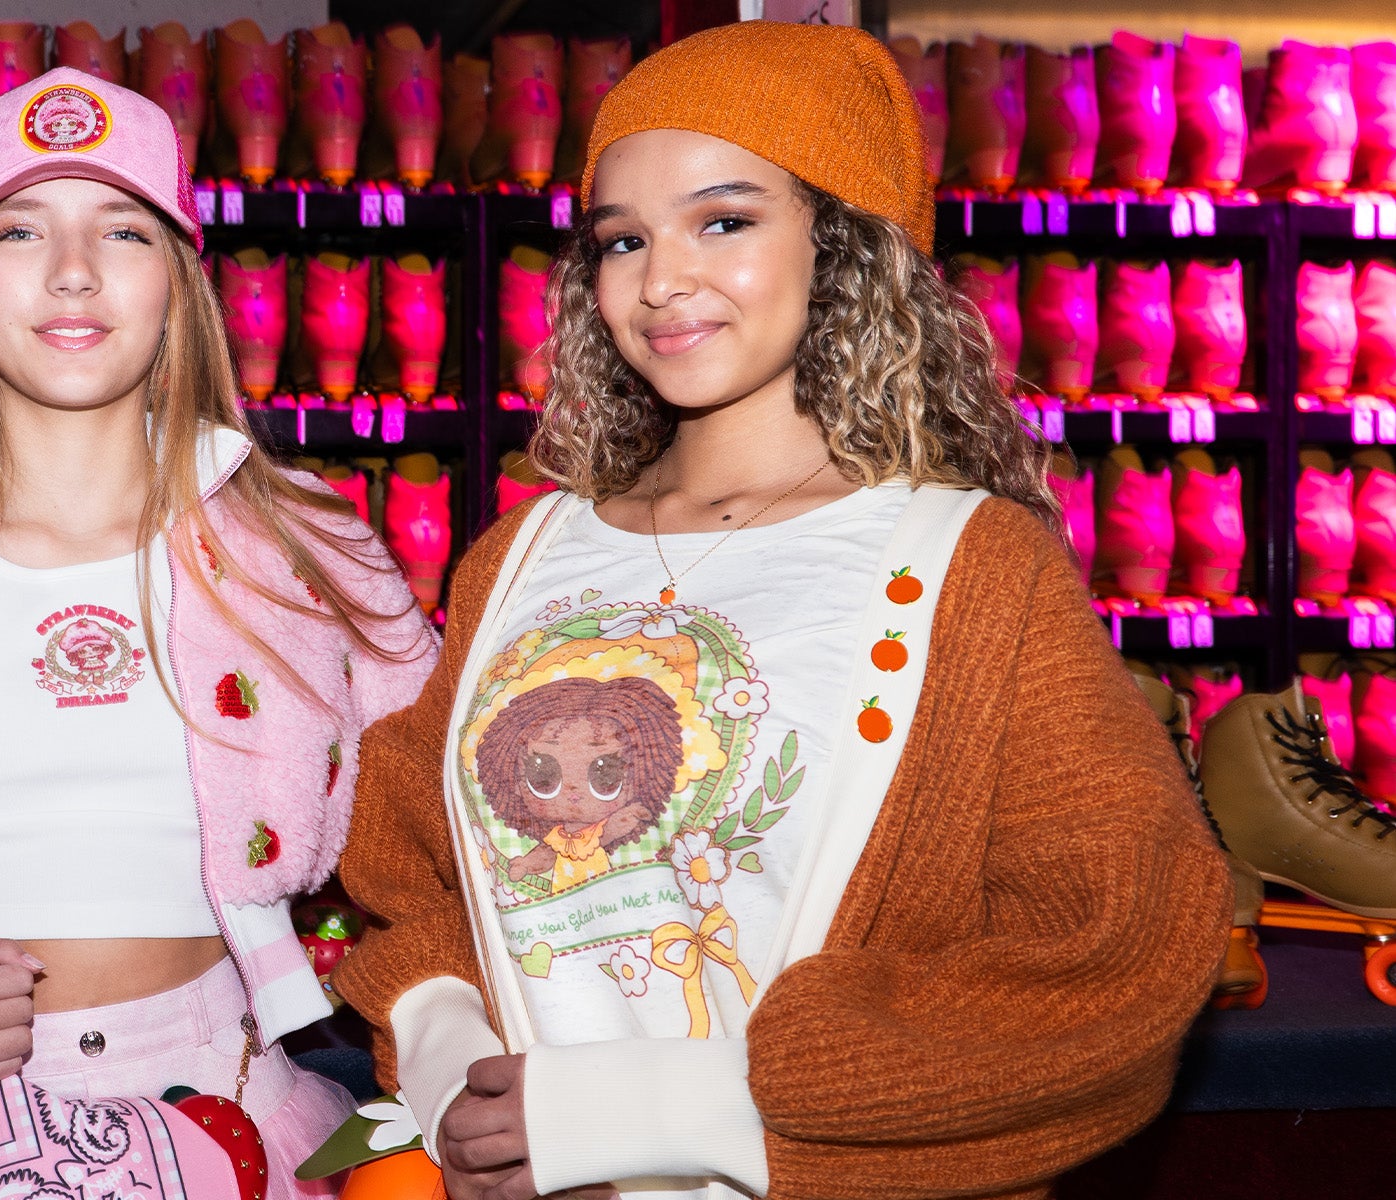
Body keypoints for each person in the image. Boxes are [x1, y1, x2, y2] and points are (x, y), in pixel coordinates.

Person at [332, 22, 1230, 1200]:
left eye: (723, 221)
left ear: (841, 245)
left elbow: (1113, 951)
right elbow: (411, 861)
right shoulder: (519, 555)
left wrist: (679, 1109)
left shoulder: (974, 571)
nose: (660, 281)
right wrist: (447, 1050)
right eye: (622, 239)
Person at [0, 69, 439, 1199]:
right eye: (20, 229)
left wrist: (443, 1053)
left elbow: (444, 840)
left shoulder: (308, 542)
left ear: (179, 282)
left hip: (242, 1117)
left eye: (123, 229)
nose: (72, 270)